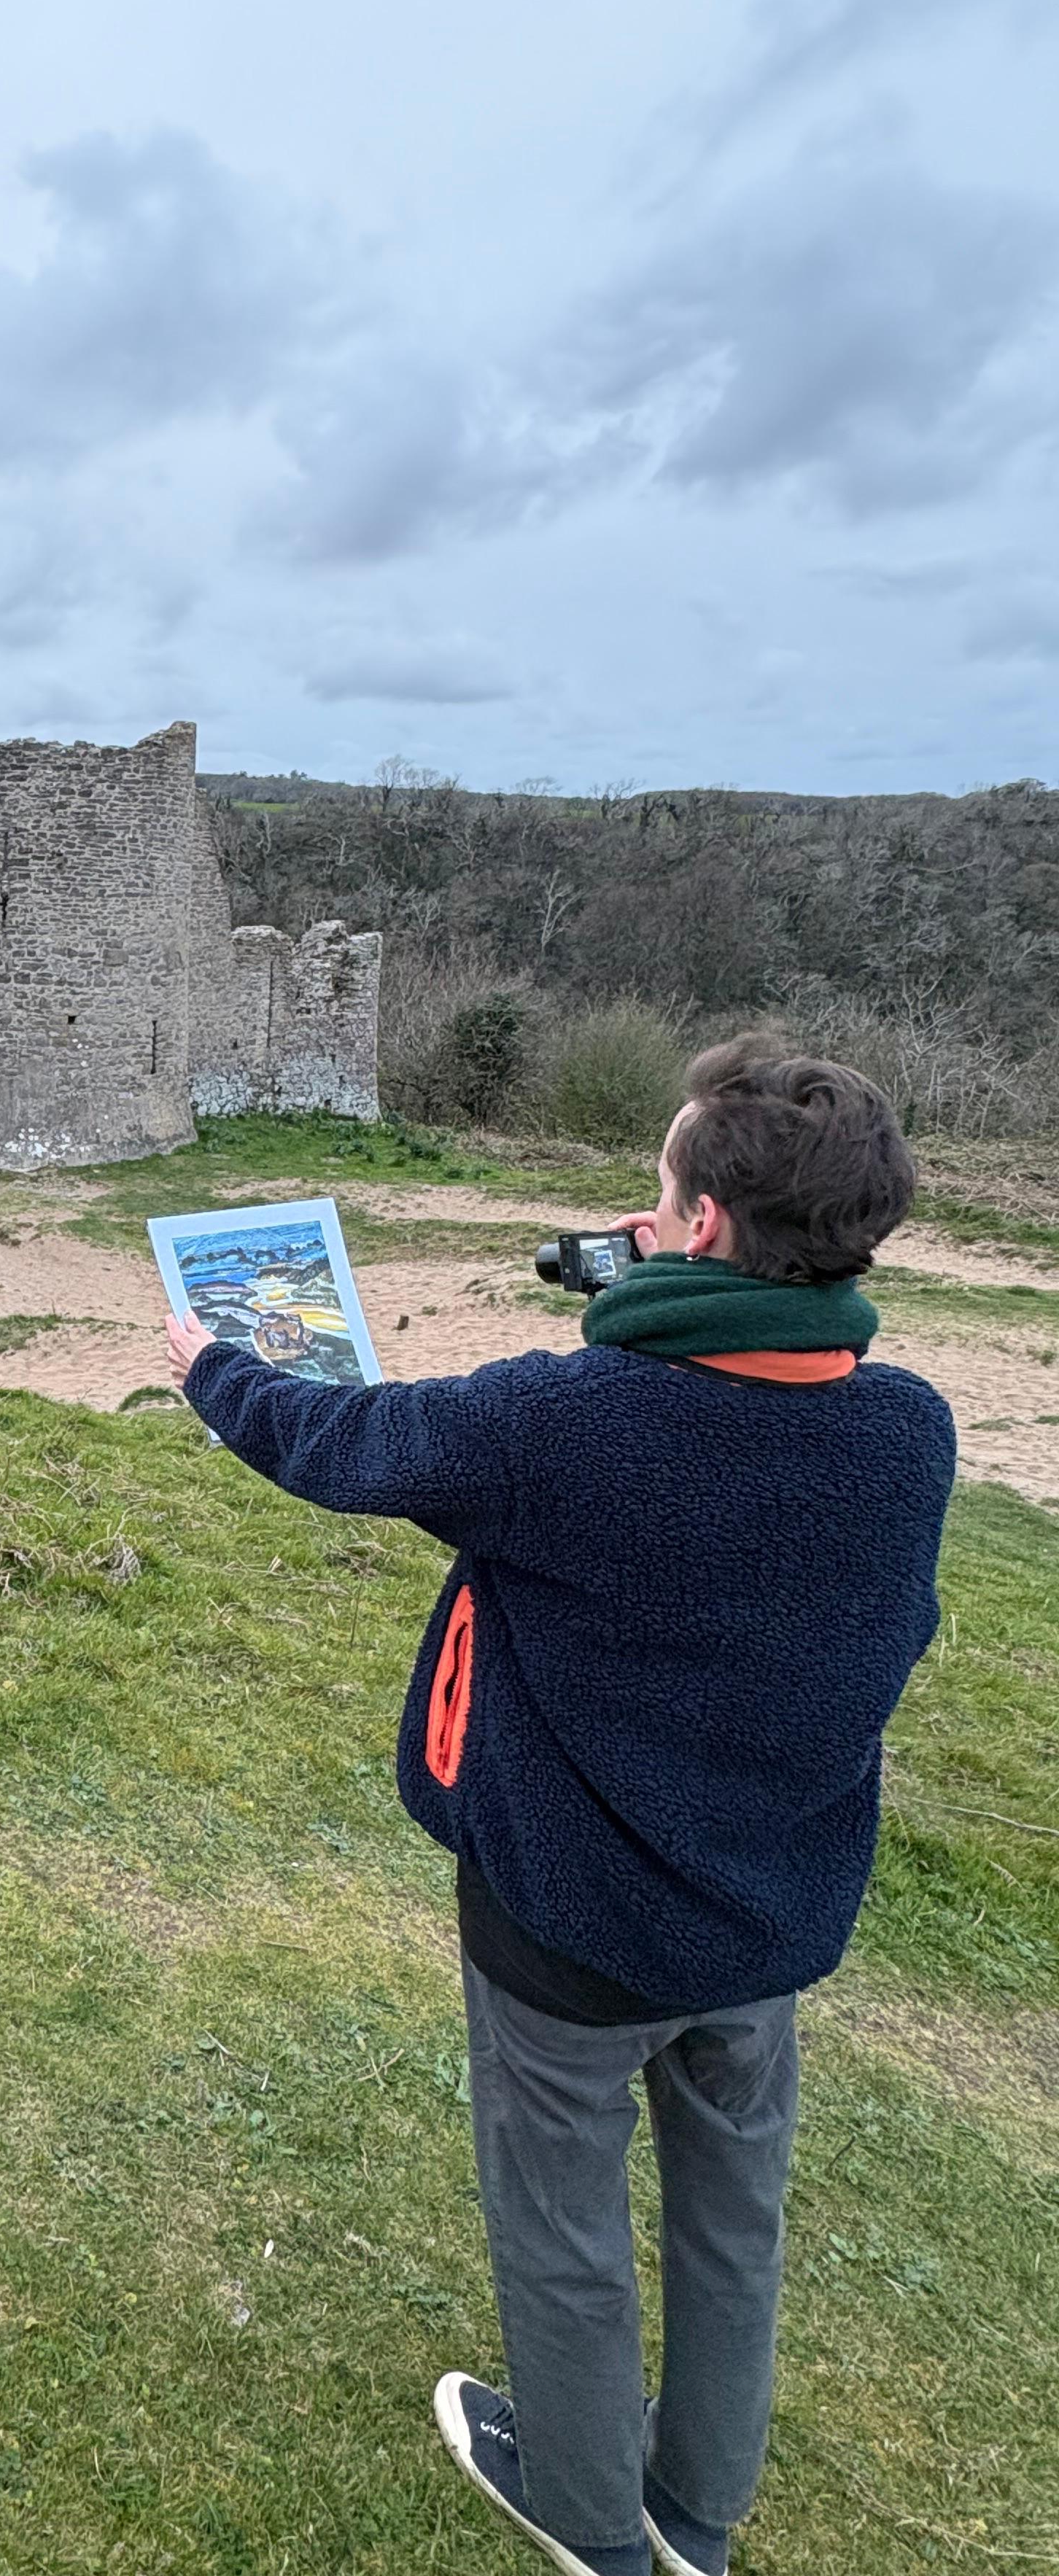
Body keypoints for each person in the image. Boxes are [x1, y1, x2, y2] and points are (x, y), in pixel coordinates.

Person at [163, 1035, 954, 2576]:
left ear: (708, 1226)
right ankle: (694, 2515)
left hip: (574, 1929)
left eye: (660, 1197)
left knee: (567, 2227)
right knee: (736, 2225)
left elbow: (340, 1440)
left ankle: (592, 2522)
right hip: (766, 1921)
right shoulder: (904, 1431)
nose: (643, 1220)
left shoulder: (565, 1426)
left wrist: (209, 1360)